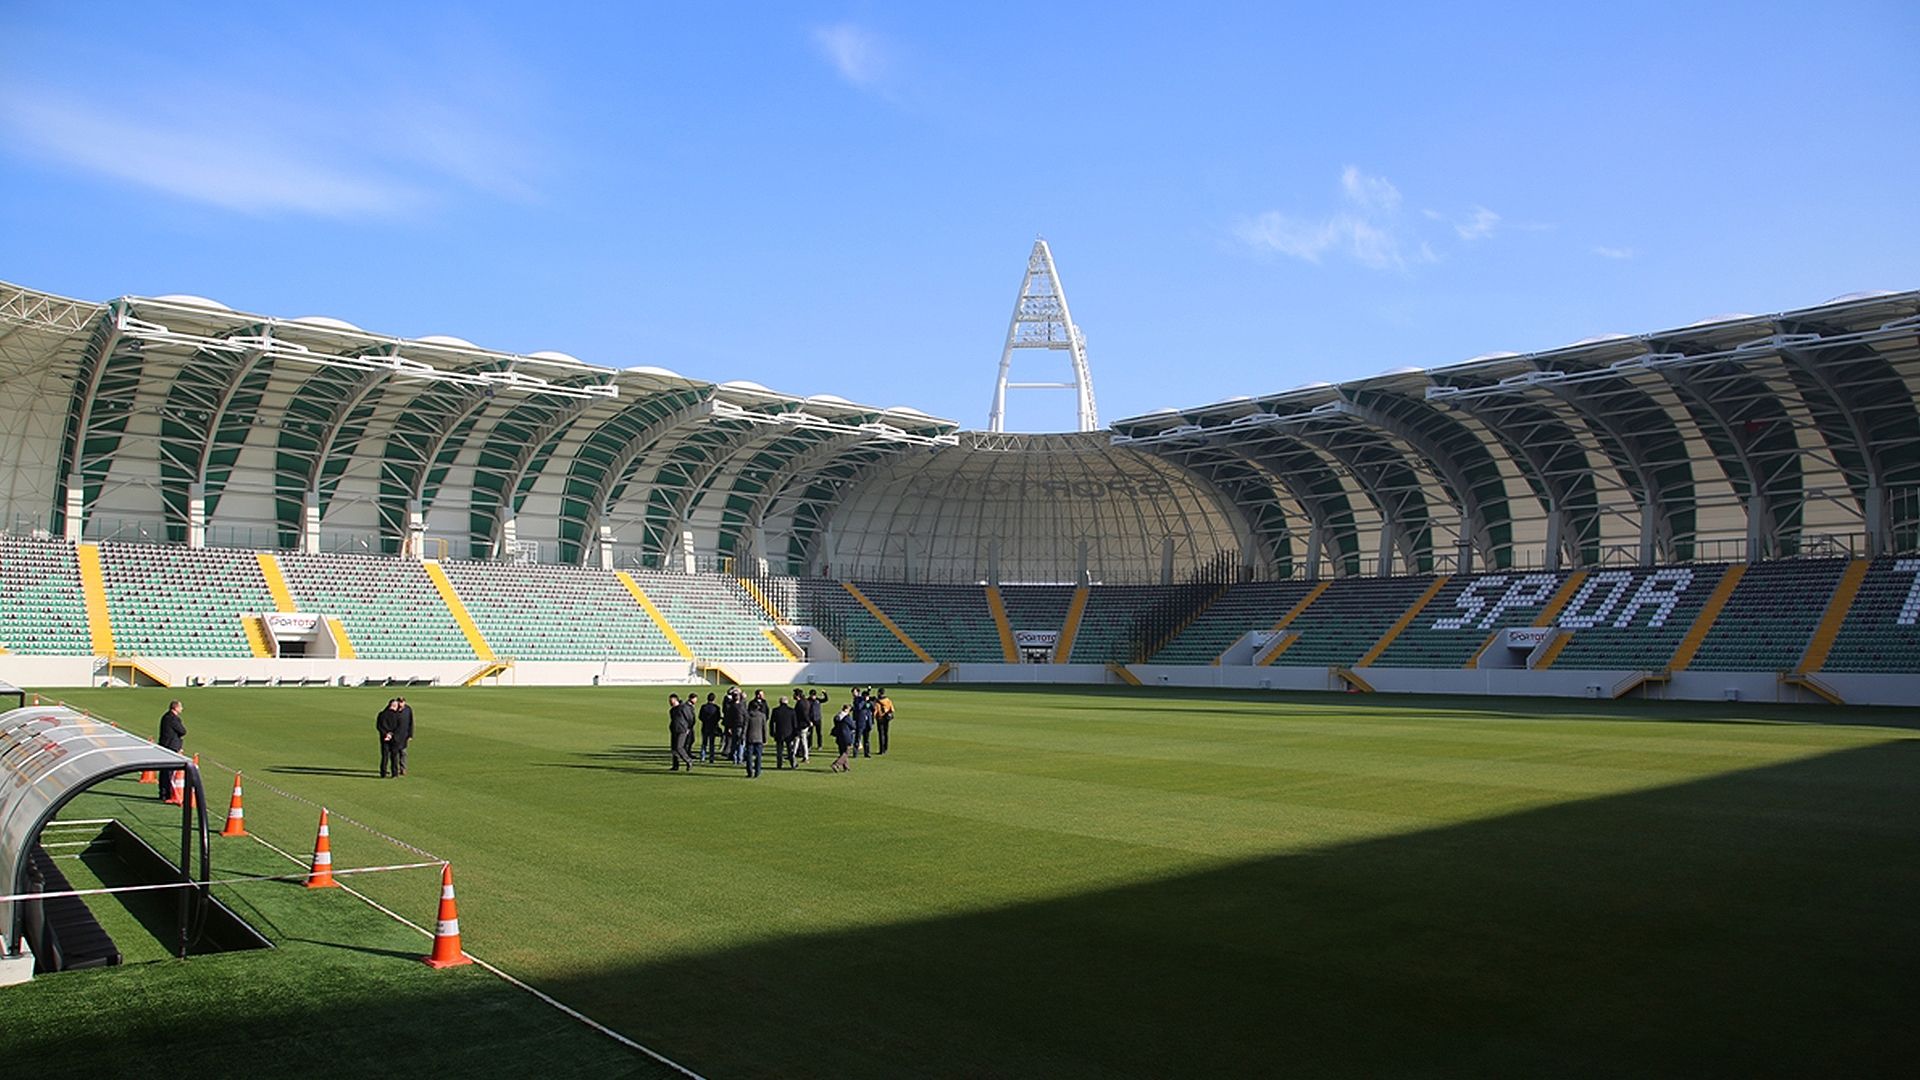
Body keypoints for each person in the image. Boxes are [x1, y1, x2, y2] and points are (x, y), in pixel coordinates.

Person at [156, 699, 186, 799]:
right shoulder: (173, 719)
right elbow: (182, 731)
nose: (182, 709)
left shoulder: (166, 717)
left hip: (166, 745)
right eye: (180, 707)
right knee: (168, 771)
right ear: (176, 708)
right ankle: (166, 793)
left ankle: (164, 792)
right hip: (171, 746)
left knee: (165, 771)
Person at [742, 692, 767, 778]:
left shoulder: (748, 716)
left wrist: (743, 736)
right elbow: (764, 728)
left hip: (750, 737)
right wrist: (765, 739)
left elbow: (745, 727)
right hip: (759, 738)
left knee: (749, 756)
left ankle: (750, 772)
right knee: (758, 756)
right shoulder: (762, 716)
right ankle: (757, 772)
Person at [376, 697, 404, 778]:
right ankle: (394, 773)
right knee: (394, 756)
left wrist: (386, 734)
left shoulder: (381, 714)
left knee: (385, 756)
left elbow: (379, 726)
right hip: (395, 738)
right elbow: (399, 728)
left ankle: (383, 772)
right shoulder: (398, 716)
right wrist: (392, 734)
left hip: (384, 738)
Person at [667, 694, 694, 771]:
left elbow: (690, 718)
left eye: (671, 700)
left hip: (682, 730)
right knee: (674, 749)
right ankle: (675, 765)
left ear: (676, 700)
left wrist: (689, 727)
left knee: (679, 747)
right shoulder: (672, 710)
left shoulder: (683, 708)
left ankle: (688, 760)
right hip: (674, 730)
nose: (670, 702)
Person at [771, 696, 797, 770]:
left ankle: (779, 765)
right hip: (789, 733)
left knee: (779, 750)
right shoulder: (791, 711)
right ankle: (793, 764)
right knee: (790, 750)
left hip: (779, 733)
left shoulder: (775, 710)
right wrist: (795, 733)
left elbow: (772, 723)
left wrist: (772, 732)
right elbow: (794, 723)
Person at [829, 703, 854, 772]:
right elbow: (853, 726)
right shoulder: (847, 717)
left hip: (839, 736)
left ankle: (846, 767)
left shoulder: (837, 716)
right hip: (846, 737)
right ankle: (836, 764)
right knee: (846, 752)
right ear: (846, 710)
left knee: (842, 752)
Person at [721, 687, 744, 763]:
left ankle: (732, 754)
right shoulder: (731, 703)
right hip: (734, 724)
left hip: (731, 723)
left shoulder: (730, 702)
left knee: (732, 740)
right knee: (735, 741)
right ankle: (734, 755)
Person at [393, 696, 415, 776]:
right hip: (395, 735)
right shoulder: (394, 709)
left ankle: (403, 768)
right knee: (394, 753)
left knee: (403, 752)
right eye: (399, 702)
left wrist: (410, 734)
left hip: (404, 735)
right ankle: (395, 769)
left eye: (402, 702)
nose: (401, 703)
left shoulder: (408, 709)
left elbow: (411, 722)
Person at [698, 692, 722, 763]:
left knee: (704, 743)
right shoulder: (716, 708)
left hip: (705, 726)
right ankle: (711, 758)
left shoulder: (703, 707)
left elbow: (700, 717)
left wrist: (705, 721)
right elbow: (718, 717)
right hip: (713, 727)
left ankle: (702, 757)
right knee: (712, 743)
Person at [853, 689, 875, 758]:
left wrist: (869, 701)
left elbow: (873, 708)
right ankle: (855, 753)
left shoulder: (868, 702)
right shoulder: (857, 700)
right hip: (860, 722)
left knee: (867, 740)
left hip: (867, 723)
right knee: (857, 738)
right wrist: (864, 701)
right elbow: (859, 707)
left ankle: (867, 753)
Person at [875, 689, 894, 755]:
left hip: (880, 718)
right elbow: (892, 709)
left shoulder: (877, 701)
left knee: (881, 734)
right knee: (886, 734)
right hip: (886, 718)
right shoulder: (888, 700)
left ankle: (881, 750)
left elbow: (875, 711)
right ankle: (886, 748)